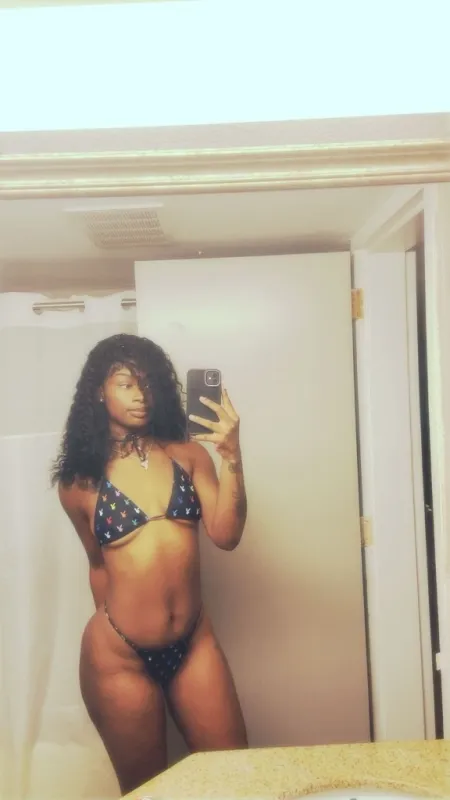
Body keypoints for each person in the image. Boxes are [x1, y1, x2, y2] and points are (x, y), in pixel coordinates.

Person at [52, 333, 248, 795]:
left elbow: (226, 536)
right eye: (125, 384)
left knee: (238, 777)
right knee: (148, 790)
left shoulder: (189, 455)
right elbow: (98, 565)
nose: (140, 395)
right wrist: (128, 633)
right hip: (118, 657)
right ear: (99, 392)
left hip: (193, 643)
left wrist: (232, 456)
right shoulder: (79, 482)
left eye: (146, 383)